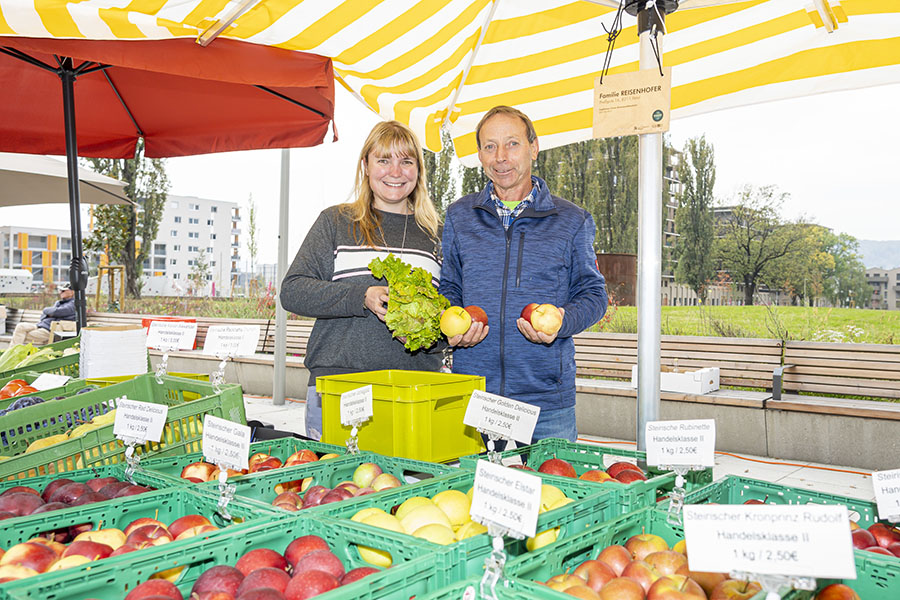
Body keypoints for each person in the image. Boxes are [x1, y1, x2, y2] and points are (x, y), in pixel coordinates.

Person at [439, 105, 608, 444]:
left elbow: (594, 294)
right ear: (480, 155)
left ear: (534, 148)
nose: (501, 157)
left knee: (553, 495)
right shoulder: (459, 216)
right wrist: (451, 326)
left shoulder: (571, 220)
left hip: (546, 404)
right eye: (490, 146)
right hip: (475, 397)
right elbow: (450, 287)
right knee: (473, 494)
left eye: (512, 144)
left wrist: (563, 320)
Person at [280, 120, 444, 440]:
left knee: (408, 487)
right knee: (335, 486)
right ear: (366, 165)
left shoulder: (437, 235)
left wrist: (430, 333)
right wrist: (361, 297)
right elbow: (293, 290)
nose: (395, 171)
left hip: (413, 389)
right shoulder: (336, 222)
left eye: (406, 161)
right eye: (383, 160)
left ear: (418, 170)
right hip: (340, 386)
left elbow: (452, 315)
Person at [11, 283, 76, 346]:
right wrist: (48, 312)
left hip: (50, 330)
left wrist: (49, 312)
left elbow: (57, 311)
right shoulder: (59, 303)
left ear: (72, 292)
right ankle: (13, 353)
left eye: (63, 290)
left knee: (19, 335)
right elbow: (44, 315)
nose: (60, 292)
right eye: (60, 290)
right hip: (40, 325)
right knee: (20, 326)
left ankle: (11, 354)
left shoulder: (73, 304)